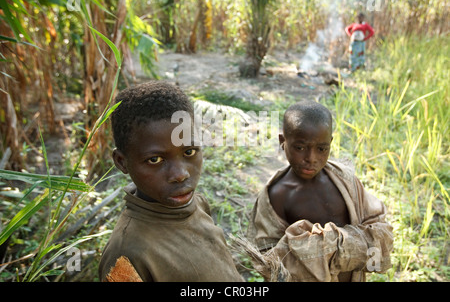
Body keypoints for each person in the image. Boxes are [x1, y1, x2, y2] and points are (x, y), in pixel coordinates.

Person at [98, 81, 243, 282]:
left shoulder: (197, 204)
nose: (180, 174)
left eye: (189, 151)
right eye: (155, 159)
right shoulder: (126, 255)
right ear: (122, 162)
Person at [247, 100, 393, 282]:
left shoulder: (344, 180)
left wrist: (336, 246)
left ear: (330, 143)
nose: (311, 158)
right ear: (282, 142)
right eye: (300, 148)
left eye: (322, 149)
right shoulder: (277, 196)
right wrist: (333, 247)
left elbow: (378, 230)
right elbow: (269, 260)